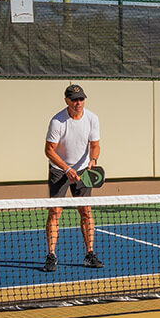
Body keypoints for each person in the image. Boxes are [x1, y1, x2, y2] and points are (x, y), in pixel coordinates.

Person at [43, 83, 102, 272]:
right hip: (59, 170)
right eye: (74, 99)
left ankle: (89, 254)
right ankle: (51, 255)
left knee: (85, 211)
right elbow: (49, 151)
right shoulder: (57, 121)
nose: (78, 103)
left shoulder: (92, 118)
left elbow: (95, 144)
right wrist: (66, 168)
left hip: (83, 169)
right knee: (55, 212)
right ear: (66, 101)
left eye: (81, 99)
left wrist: (93, 160)